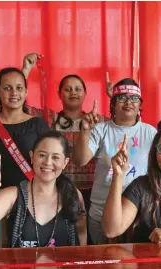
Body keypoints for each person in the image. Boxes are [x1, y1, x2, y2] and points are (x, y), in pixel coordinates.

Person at [0, 67, 54, 248]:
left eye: (19, 88)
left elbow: (50, 166)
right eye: (7, 88)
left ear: (26, 91)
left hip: (31, 204)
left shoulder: (38, 125)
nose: (14, 93)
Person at [73, 78, 157, 244]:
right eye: (122, 98)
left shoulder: (150, 132)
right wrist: (84, 132)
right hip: (100, 210)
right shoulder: (101, 129)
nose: (128, 102)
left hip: (137, 213)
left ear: (140, 104)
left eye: (134, 98)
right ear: (112, 104)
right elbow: (80, 160)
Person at [0, 131, 87, 247]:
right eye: (42, 155)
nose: (47, 162)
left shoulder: (73, 195)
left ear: (65, 162)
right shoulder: (13, 195)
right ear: (32, 157)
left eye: (55, 157)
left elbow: (81, 235)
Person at [21, 53, 103, 210]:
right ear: (59, 94)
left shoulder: (98, 121)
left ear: (85, 94)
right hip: (56, 188)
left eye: (78, 89)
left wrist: (115, 98)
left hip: (93, 192)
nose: (73, 93)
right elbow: (22, 107)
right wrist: (26, 70)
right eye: (68, 89)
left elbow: (123, 125)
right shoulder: (49, 118)